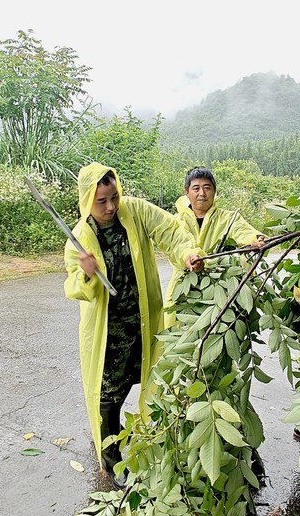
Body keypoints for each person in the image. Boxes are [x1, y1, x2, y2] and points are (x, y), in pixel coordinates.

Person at [64, 162, 205, 482]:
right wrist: (87, 273)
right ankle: (110, 459)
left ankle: (151, 450)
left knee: (152, 386)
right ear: (88, 200)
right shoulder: (79, 238)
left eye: (114, 197)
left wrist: (187, 253)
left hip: (144, 322)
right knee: (109, 394)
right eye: (101, 201)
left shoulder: (136, 211)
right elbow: (73, 288)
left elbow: (170, 231)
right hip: (109, 333)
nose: (111, 206)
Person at [165, 166, 265, 313]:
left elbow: (243, 231)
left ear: (214, 191)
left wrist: (255, 239)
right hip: (183, 288)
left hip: (220, 288)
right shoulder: (175, 221)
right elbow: (172, 247)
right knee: (181, 329)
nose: (202, 193)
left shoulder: (228, 218)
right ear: (187, 192)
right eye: (196, 188)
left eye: (207, 188)